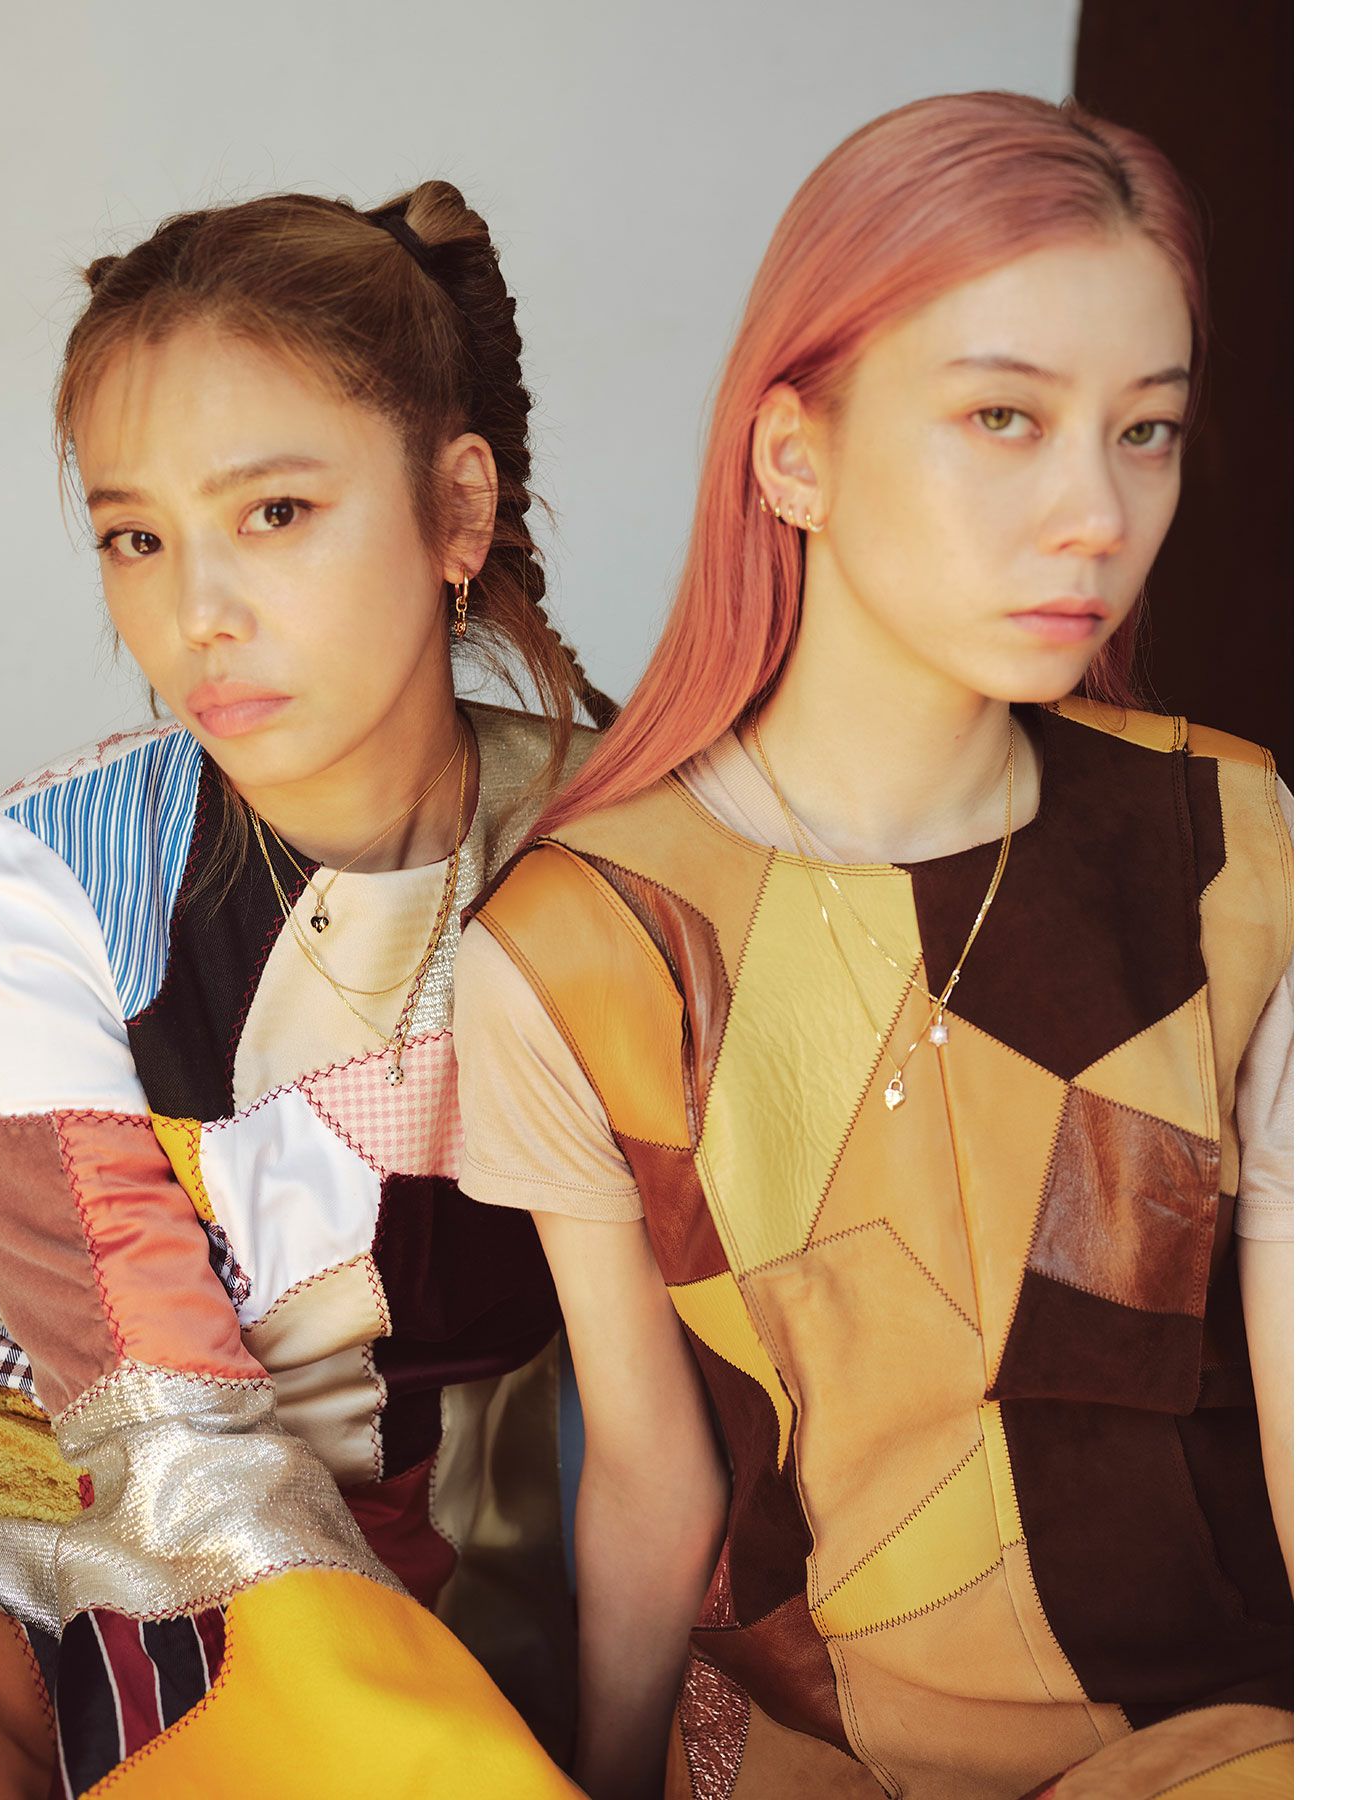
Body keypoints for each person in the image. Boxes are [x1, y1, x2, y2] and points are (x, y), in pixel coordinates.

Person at [453, 93, 1293, 1799]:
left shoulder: (1240, 844)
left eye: (1146, 431)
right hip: (806, 1749)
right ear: (794, 457)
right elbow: (652, 1481)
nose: (1096, 512)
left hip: (1214, 1740)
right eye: (1004, 416)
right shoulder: (580, 946)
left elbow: (1318, 1410)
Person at [0, 181, 614, 1798]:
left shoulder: (634, 862)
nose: (196, 614)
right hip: (24, 1537)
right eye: (135, 537)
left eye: (276, 512)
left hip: (455, 1605)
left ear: (458, 510)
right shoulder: (35, 891)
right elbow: (170, 1444)